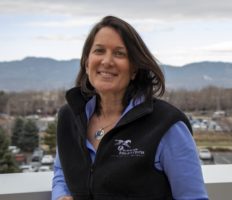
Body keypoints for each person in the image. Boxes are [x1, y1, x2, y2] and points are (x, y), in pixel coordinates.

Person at [52, 15, 209, 200]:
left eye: (119, 53)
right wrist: (61, 196)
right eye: (99, 51)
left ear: (134, 69)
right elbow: (62, 171)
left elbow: (193, 197)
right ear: (87, 63)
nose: (107, 61)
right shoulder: (70, 117)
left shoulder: (167, 125)